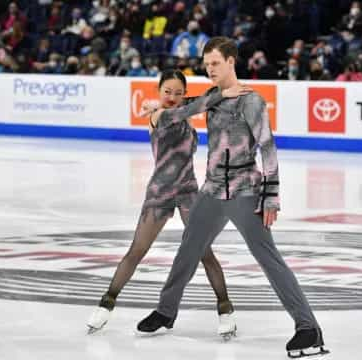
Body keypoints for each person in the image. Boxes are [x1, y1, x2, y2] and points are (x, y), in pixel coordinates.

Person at [137, 37, 329, 357]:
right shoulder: (212, 96)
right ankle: (166, 311)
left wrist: (270, 198)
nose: (209, 68)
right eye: (206, 63)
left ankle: (308, 328)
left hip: (244, 191)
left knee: (268, 258)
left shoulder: (251, 101)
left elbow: (268, 147)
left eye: (215, 63)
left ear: (231, 62)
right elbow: (179, 113)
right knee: (188, 249)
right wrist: (157, 108)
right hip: (211, 191)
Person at [87, 69, 252, 334]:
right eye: (167, 91)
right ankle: (105, 305)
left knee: (204, 253)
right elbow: (186, 109)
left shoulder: (183, 114)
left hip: (188, 192)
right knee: (136, 251)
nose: (172, 97)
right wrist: (220, 94)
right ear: (158, 91)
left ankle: (225, 311)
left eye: (178, 93)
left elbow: (193, 104)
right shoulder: (158, 116)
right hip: (160, 193)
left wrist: (220, 96)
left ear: (184, 94)